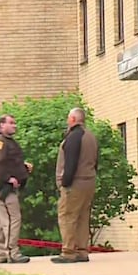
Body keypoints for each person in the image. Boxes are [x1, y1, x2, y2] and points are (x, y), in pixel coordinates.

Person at [52, 107, 99, 263]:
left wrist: (64, 183)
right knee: (83, 217)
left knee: (67, 216)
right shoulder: (91, 136)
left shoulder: (74, 137)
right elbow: (95, 161)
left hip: (75, 182)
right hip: (89, 181)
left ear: (72, 119)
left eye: (68, 118)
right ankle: (82, 250)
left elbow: (70, 162)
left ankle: (68, 251)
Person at [0, 114, 33, 264]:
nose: (14, 126)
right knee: (13, 218)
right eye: (11, 123)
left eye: (15, 123)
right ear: (1, 125)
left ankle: (1, 253)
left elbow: (7, 162)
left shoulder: (6, 141)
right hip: (3, 186)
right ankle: (12, 252)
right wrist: (8, 178)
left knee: (0, 220)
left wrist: (23, 168)